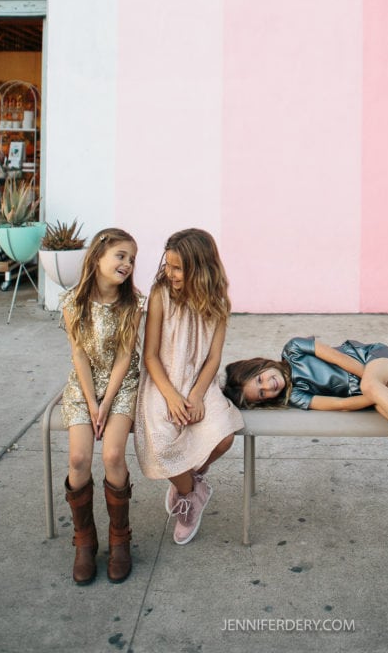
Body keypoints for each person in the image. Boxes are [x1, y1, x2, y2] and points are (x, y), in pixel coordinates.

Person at [224, 337, 388, 523]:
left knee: (378, 393)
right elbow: (342, 404)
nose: (268, 387)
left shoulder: (294, 350)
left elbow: (342, 360)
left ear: (260, 365)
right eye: (262, 394)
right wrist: (376, 395)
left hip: (377, 361)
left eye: (260, 379)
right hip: (380, 392)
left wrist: (379, 384)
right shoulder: (297, 397)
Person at [133, 228, 243, 545]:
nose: (170, 273)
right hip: (162, 381)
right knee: (161, 440)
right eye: (167, 265)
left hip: (198, 382)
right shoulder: (160, 294)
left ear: (200, 269)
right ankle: (189, 496)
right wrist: (171, 396)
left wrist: (195, 396)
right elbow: (151, 355)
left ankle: (189, 480)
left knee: (223, 436)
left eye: (178, 268)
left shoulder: (219, 302)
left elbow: (213, 358)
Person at [60, 228, 145, 586]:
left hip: (121, 386)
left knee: (112, 455)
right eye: (120, 256)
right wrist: (92, 402)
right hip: (83, 388)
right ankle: (85, 541)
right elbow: (78, 352)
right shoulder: (72, 302)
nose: (127, 264)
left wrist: (107, 403)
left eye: (131, 259)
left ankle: (119, 538)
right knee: (78, 459)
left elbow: (126, 355)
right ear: (98, 257)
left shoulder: (133, 304)